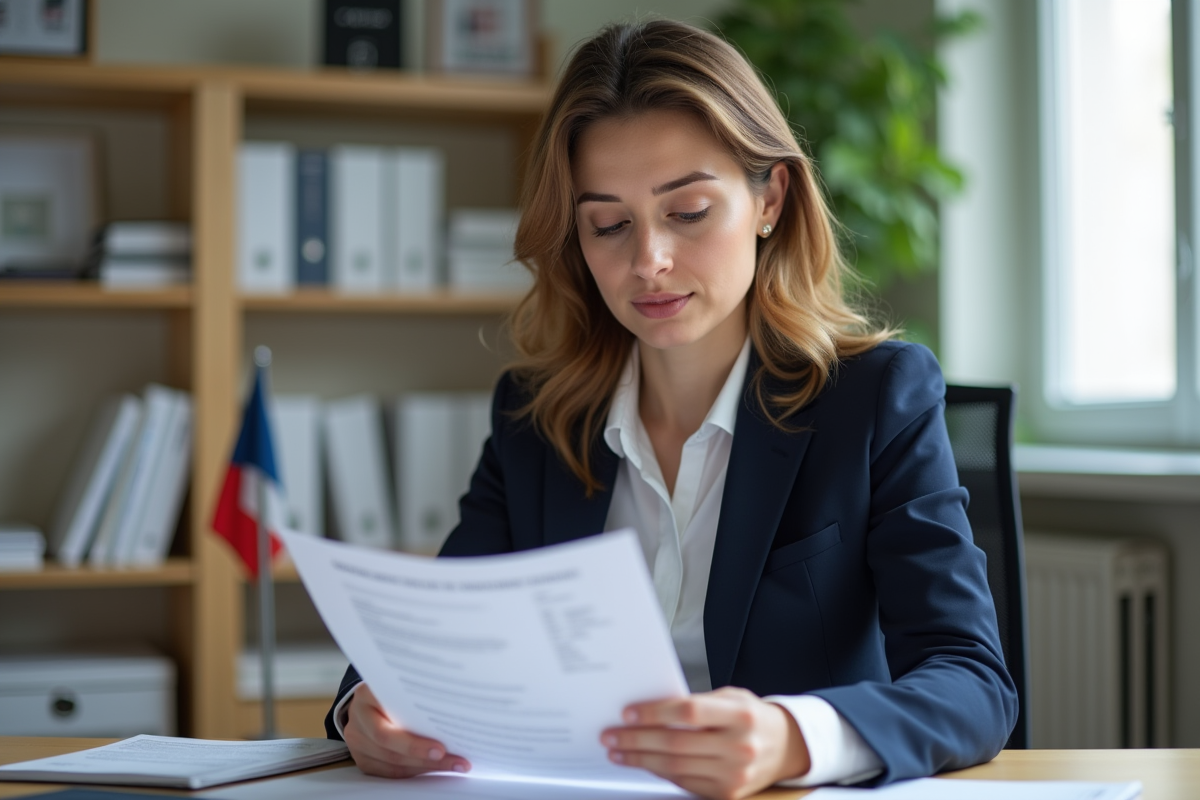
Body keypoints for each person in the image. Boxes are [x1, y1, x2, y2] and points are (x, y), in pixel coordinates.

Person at [324, 18, 1017, 800]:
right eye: (608, 224)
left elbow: (973, 685)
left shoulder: (874, 399)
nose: (647, 262)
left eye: (687, 211)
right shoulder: (535, 418)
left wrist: (789, 739)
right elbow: (431, 643)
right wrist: (366, 707)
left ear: (770, 199)